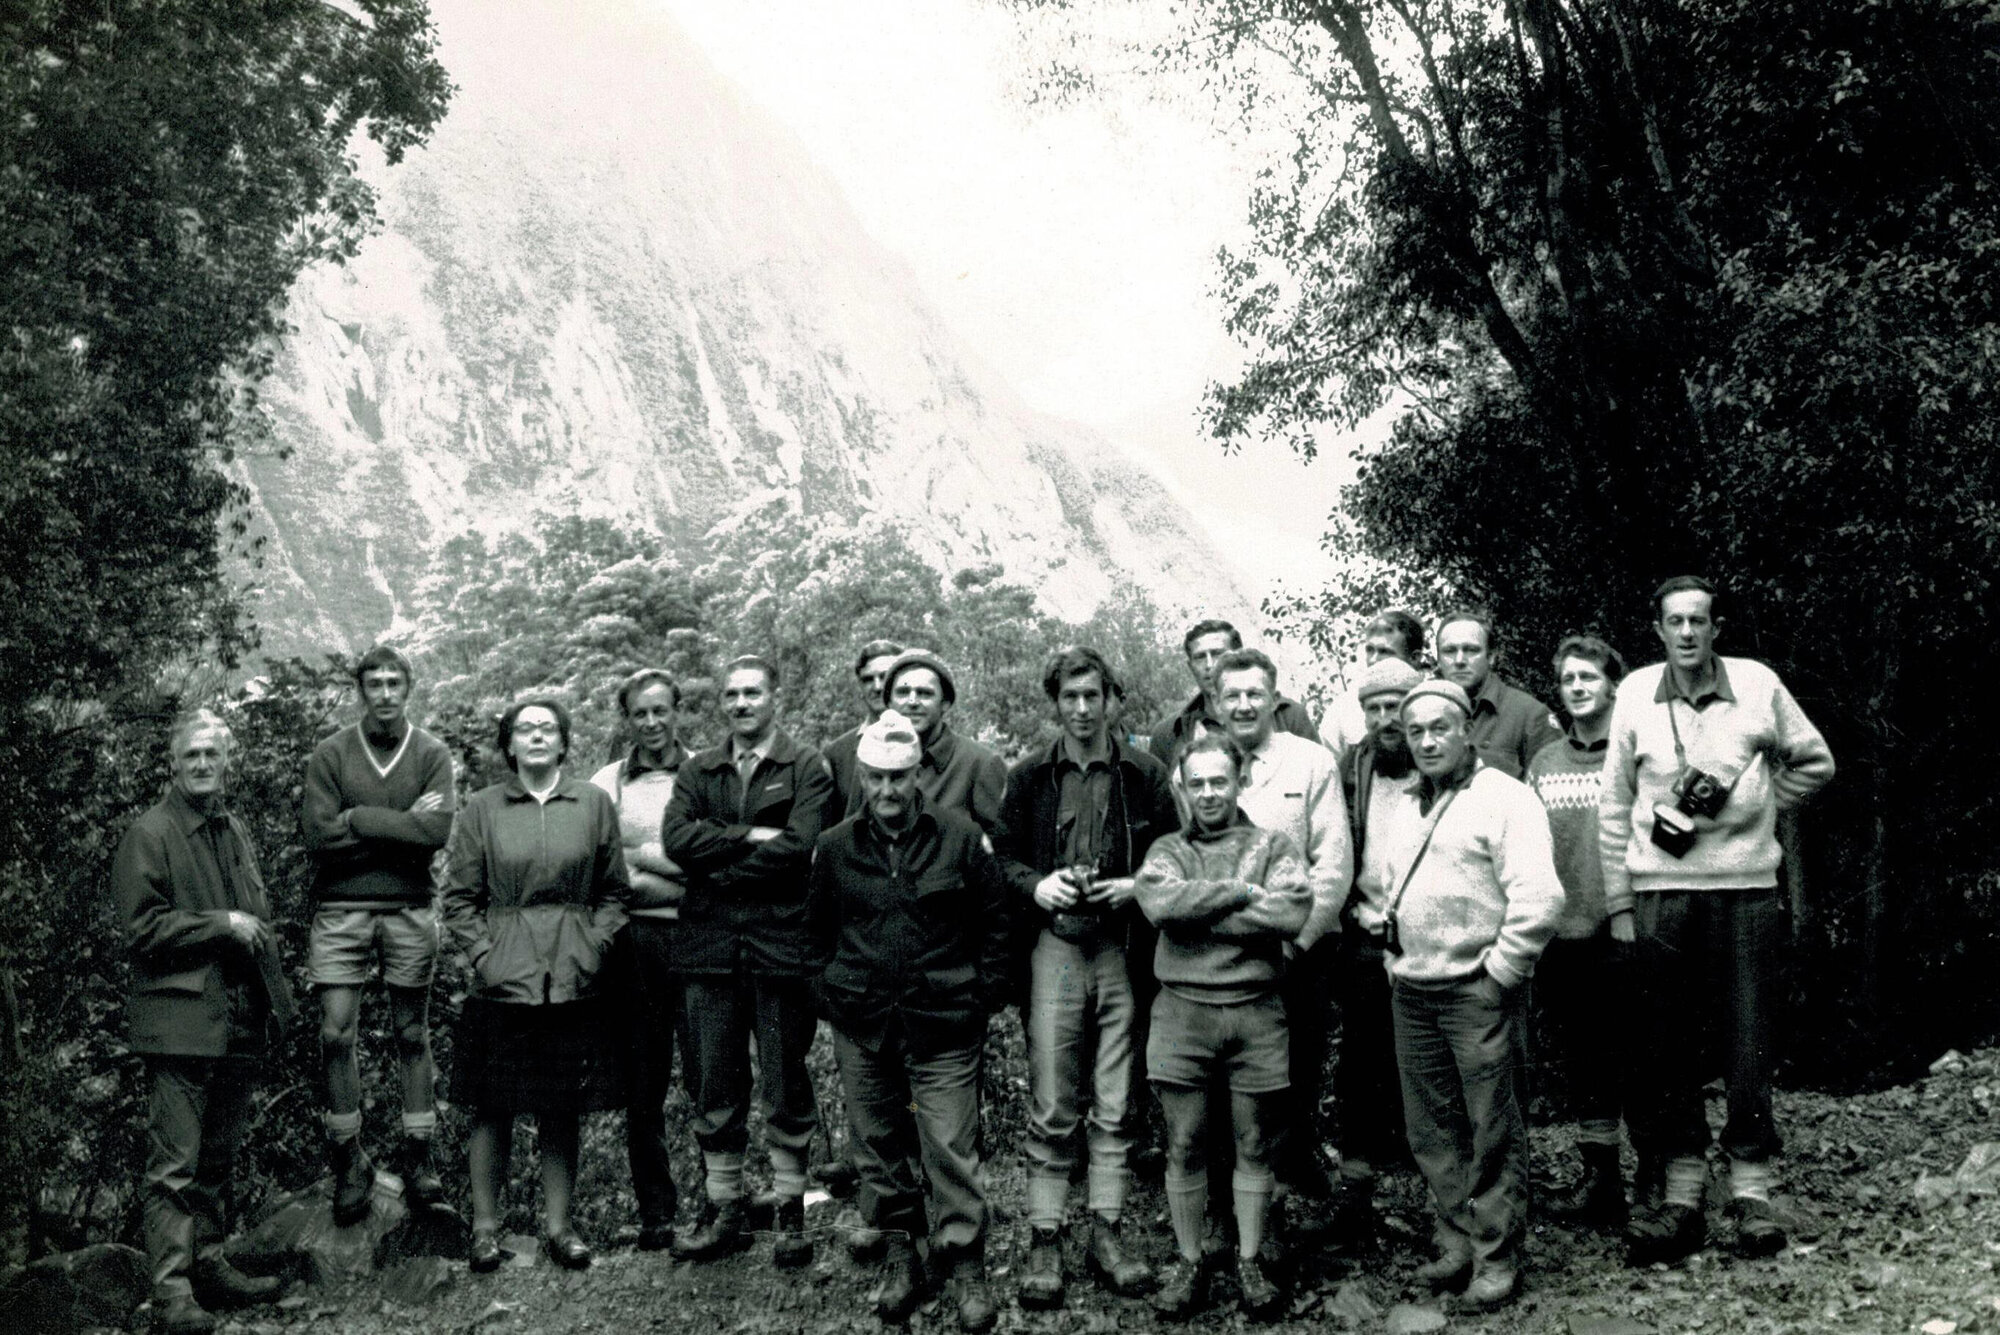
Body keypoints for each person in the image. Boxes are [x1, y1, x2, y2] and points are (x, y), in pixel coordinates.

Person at [1601, 577, 1834, 1263]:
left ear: (1716, 626)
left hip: (1746, 890)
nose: (1687, 633)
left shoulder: (1759, 684)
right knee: (1664, 1041)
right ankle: (1682, 1196)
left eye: (1698, 620)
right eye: (1674, 620)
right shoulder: (1635, 693)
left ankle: (1752, 1191)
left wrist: (1763, 805)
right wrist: (1618, 901)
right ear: (1657, 628)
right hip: (1660, 891)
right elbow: (1614, 807)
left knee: (1749, 1035)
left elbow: (1815, 761)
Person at [809, 710, 1010, 1331]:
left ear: (917, 773)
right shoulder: (836, 847)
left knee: (950, 1145)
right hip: (863, 1021)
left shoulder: (959, 836)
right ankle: (903, 1253)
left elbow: (997, 924)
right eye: (875, 778)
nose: (888, 791)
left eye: (898, 778)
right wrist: (832, 997)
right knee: (877, 1145)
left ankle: (965, 1262)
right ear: (862, 776)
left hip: (944, 1020)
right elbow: (814, 934)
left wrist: (981, 996)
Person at [993, 648, 1177, 1309]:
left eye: (1091, 694)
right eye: (1069, 696)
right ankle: (1046, 1232)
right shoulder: (1029, 777)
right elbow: (1002, 860)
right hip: (1057, 949)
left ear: (1111, 698)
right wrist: (1039, 884)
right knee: (1051, 1097)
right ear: (1055, 702)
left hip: (1121, 948)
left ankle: (1106, 1228)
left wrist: (1136, 884)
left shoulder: (1145, 773)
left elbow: (1175, 857)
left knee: (1115, 1097)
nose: (1080, 707)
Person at [115, 711, 296, 1334]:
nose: (201, 764)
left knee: (218, 1158)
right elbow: (141, 930)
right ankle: (171, 1295)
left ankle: (209, 1266)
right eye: (190, 755)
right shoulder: (150, 832)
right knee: (175, 1166)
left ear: (227, 761)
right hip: (180, 1022)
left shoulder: (232, 828)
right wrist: (221, 925)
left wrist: (277, 1004)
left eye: (211, 755)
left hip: (237, 1021)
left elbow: (259, 920)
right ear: (173, 762)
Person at [1385, 680, 1564, 1309]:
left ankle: (1497, 1256)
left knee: (1492, 1124)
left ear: (1468, 731)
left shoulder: (1507, 799)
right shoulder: (1405, 804)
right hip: (1413, 989)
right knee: (1431, 1126)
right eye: (1416, 732)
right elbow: (1390, 892)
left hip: (1477, 989)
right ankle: (1456, 1240)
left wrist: (1499, 974)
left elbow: (1540, 899)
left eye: (1441, 727)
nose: (1428, 741)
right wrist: (1392, 959)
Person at [444, 698, 630, 1274]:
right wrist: (485, 956)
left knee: (561, 1105)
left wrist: (595, 946)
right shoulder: (482, 807)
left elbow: (615, 892)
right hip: (504, 979)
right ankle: (483, 1230)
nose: (538, 737)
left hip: (573, 978)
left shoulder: (593, 803)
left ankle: (560, 1228)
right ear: (510, 745)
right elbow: (459, 898)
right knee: (490, 1105)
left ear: (564, 742)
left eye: (548, 728)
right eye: (525, 729)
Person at [661, 655, 834, 1266]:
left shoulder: (806, 764)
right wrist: (747, 838)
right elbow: (675, 840)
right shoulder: (698, 769)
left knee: (785, 1077)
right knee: (714, 1077)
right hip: (708, 946)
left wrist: (723, 865)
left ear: (774, 697)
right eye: (731, 695)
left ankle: (791, 1214)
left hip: (780, 945)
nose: (740, 704)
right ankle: (724, 1211)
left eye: (752, 693)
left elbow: (802, 845)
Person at [1135, 732, 1313, 1320]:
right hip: (1181, 1013)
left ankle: (1251, 1258)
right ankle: (1188, 1261)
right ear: (1182, 789)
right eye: (1197, 783)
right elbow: (1161, 907)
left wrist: (1199, 913)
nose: (1209, 793)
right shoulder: (1166, 848)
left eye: (1220, 781)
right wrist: (1239, 893)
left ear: (1239, 783)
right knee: (1183, 1141)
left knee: (1255, 1142)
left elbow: (1289, 913)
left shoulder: (1274, 844)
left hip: (1256, 1012)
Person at [299, 645, 455, 1226]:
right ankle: (349, 1158)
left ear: (408, 688)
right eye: (374, 683)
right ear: (359, 690)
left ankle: (420, 1160)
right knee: (336, 1033)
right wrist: (398, 823)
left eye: (394, 682)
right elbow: (319, 838)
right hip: (341, 910)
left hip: (410, 908)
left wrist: (359, 818)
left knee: (412, 1033)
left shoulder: (432, 752)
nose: (384, 693)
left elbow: (435, 831)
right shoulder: (331, 753)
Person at [1205, 648, 1352, 1218]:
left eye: (1254, 694)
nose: (1243, 705)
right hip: (1222, 960)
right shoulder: (1196, 768)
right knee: (1226, 1082)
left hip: (1296, 955)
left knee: (1296, 1069)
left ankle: (1289, 1190)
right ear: (1216, 703)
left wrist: (1296, 940)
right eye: (1232, 695)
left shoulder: (1310, 762)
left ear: (1273, 700)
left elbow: (1332, 864)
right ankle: (1231, 1206)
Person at [1525, 635, 1632, 1228]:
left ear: (1613, 684)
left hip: (1627, 926)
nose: (1579, 687)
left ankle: (1663, 1180)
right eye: (1569, 679)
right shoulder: (1544, 763)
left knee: (1642, 1054)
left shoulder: (1632, 751)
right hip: (1564, 936)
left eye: (1589, 676)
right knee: (1585, 1058)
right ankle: (1601, 1180)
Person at [588, 669, 691, 1252]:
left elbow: (712, 868)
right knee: (644, 1082)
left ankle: (720, 1205)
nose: (651, 723)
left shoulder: (704, 774)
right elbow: (603, 870)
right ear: (626, 720)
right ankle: (657, 1212)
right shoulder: (606, 783)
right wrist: (661, 872)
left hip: (698, 941)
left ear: (678, 710)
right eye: (639, 713)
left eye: (661, 710)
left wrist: (645, 860)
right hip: (636, 948)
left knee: (710, 1076)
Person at [1327, 655, 1428, 1242]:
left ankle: (1444, 1200)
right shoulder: (1352, 766)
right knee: (1362, 1066)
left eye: (1397, 706)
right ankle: (1356, 1195)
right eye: (1375, 708)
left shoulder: (1441, 758)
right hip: (1366, 936)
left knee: (1429, 1063)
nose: (1387, 719)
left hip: (1430, 938)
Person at [1140, 619, 1317, 770]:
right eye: (1200, 657)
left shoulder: (1288, 715)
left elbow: (1315, 774)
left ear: (1238, 656)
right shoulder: (1169, 733)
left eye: (1218, 654)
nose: (1209, 665)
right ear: (1190, 666)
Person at [881, 649, 1007, 836]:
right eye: (903, 692)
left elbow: (1001, 849)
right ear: (889, 703)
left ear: (945, 703)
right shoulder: (874, 760)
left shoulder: (979, 764)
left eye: (925, 693)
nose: (913, 701)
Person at [1433, 611, 1562, 780]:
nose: (1459, 660)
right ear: (1439, 660)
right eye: (1449, 651)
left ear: (1491, 657)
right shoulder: (1425, 715)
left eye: (1471, 650)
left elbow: (1552, 791)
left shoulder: (1530, 716)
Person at [1319, 610, 1427, 773]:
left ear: (1415, 658)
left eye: (1385, 652)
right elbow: (1327, 774)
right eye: (1370, 650)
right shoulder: (1343, 709)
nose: (1373, 660)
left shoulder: (1435, 701)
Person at [822, 638, 905, 828]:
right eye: (868, 679)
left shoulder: (926, 742)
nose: (877, 687)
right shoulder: (836, 754)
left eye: (884, 677)